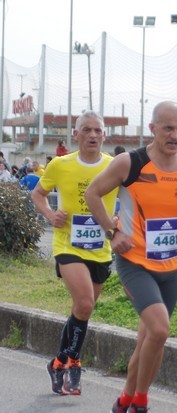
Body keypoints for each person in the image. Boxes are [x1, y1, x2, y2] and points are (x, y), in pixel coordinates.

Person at [85, 100, 177, 413]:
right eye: (167, 128)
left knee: (148, 340)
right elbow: (93, 193)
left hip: (174, 262)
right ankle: (140, 407)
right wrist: (114, 231)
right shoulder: (131, 163)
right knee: (159, 329)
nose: (175, 135)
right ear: (152, 129)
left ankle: (123, 402)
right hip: (134, 260)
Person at [31, 111, 119, 396]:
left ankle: (64, 361)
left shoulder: (113, 166)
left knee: (84, 309)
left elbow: (135, 197)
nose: (93, 135)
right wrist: (49, 214)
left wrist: (119, 222)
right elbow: (38, 194)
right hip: (68, 245)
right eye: (87, 130)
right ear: (76, 135)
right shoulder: (60, 164)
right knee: (83, 302)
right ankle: (67, 363)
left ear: (104, 135)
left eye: (98, 130)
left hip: (101, 247)